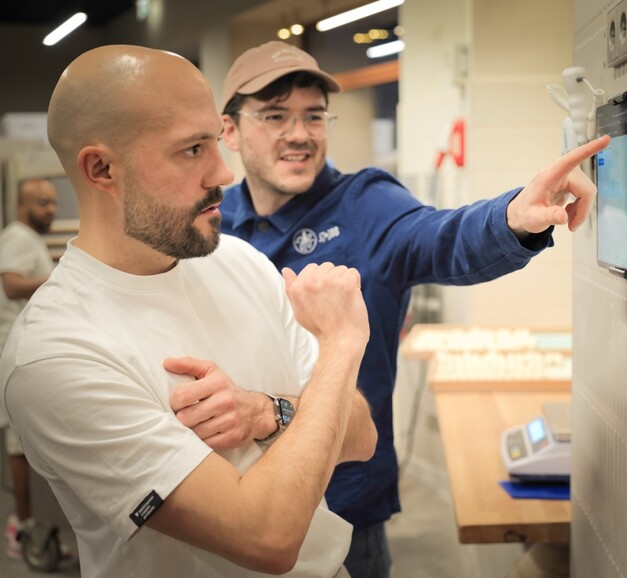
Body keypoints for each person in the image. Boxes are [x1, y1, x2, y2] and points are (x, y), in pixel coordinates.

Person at [217, 40, 610, 577]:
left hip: (342, 499)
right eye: (274, 116)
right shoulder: (212, 223)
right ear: (230, 131)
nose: (300, 134)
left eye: (313, 116)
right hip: (230, 491)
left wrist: (514, 215)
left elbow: (440, 237)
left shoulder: (364, 204)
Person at [0, 44, 378, 578]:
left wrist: (268, 411)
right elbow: (267, 536)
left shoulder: (238, 261)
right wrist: (341, 346)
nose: (224, 173)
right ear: (102, 168)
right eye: (192, 150)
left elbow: (361, 435)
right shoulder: (54, 354)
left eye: (215, 143)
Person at [0, 178, 61, 560]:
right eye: (43, 202)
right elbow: (11, 285)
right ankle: (21, 529)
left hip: (21, 350)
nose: (51, 210)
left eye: (54, 203)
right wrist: (63, 279)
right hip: (12, 350)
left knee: (20, 443)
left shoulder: (28, 238)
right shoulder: (19, 235)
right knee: (16, 444)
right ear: (23, 206)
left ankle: (25, 526)